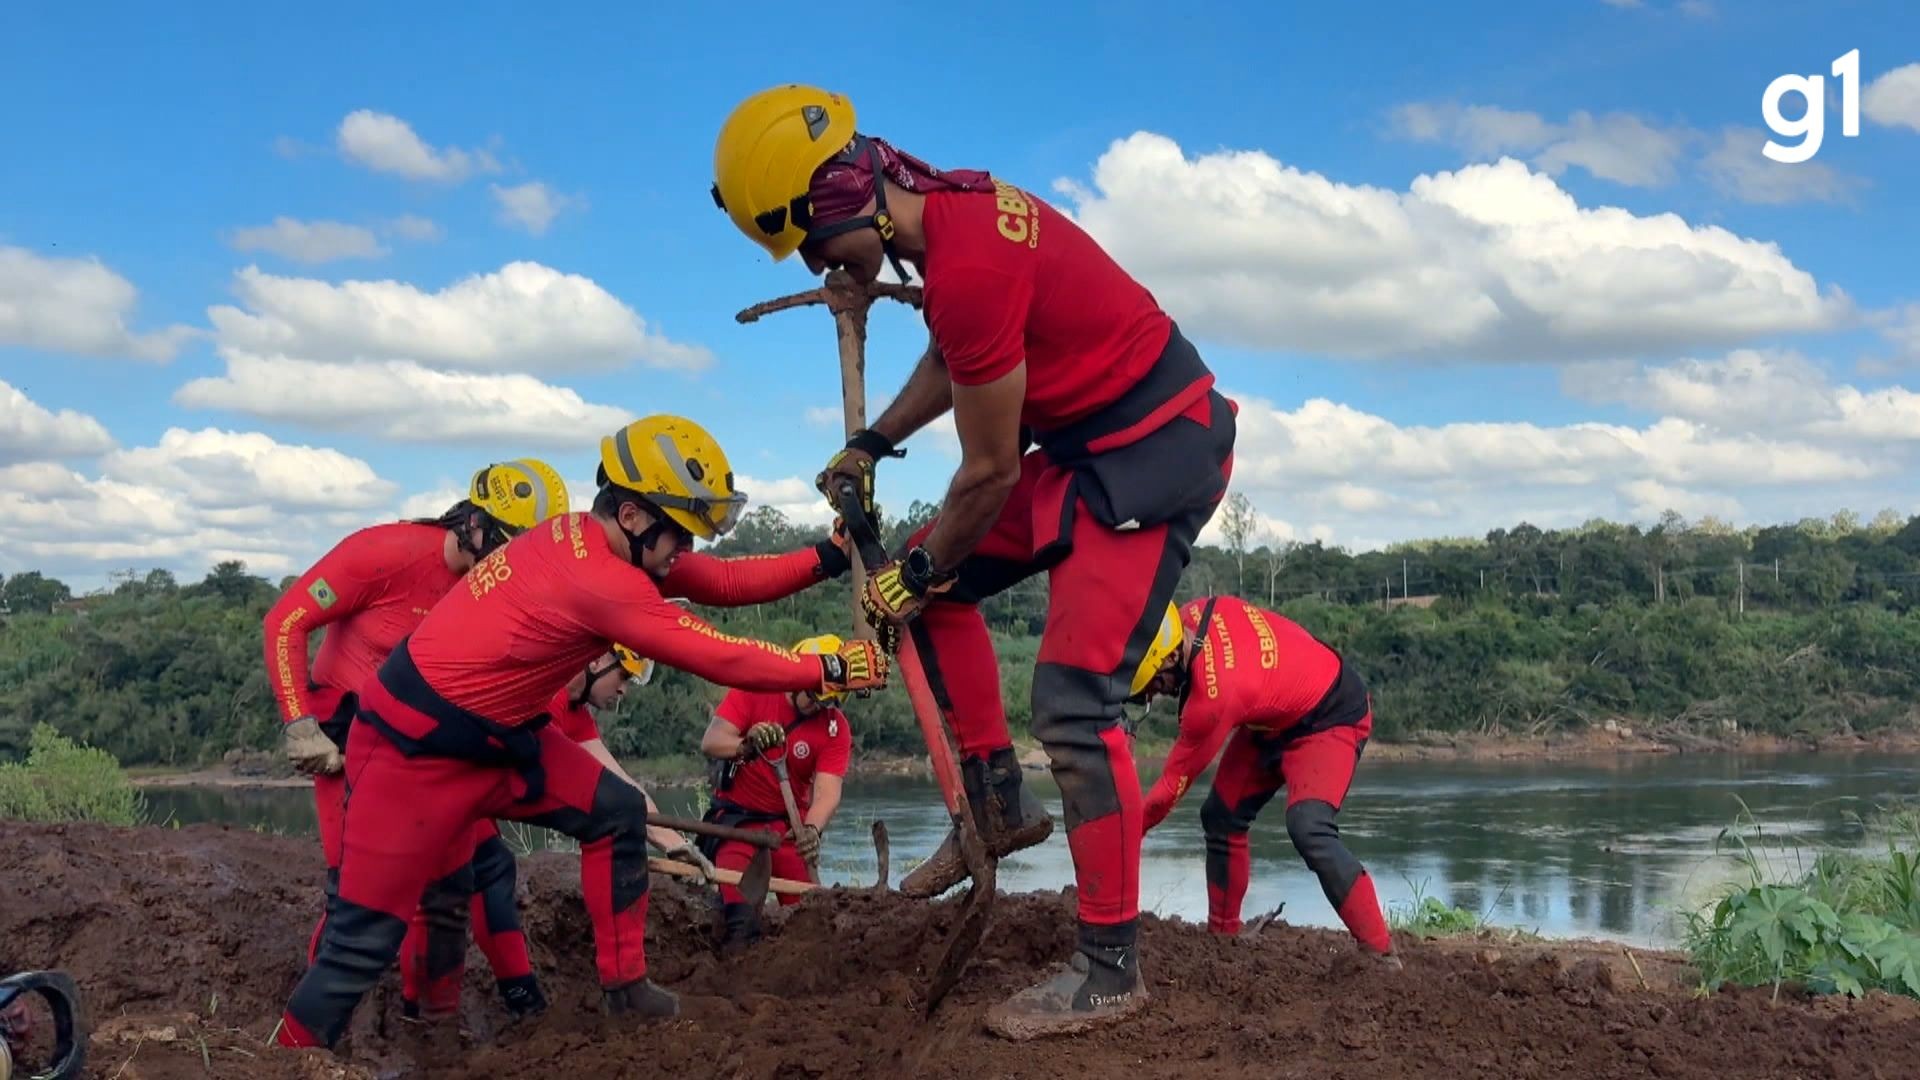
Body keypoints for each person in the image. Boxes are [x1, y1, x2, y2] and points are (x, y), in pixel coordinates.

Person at [711, 85, 1237, 1038]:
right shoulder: (949, 229)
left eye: (820, 248)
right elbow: (961, 357)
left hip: (1159, 449)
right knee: (920, 586)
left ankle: (1112, 968)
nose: (829, 271)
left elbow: (990, 471)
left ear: (846, 203)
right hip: (1085, 451)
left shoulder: (971, 260)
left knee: (1075, 704)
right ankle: (994, 804)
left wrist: (916, 564)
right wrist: (873, 441)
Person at [275, 414, 888, 1051]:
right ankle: (287, 1058)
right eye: (682, 532)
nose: (688, 550)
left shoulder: (601, 543)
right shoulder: (598, 580)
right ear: (632, 516)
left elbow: (725, 582)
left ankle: (625, 991)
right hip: (410, 753)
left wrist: (826, 556)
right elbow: (716, 653)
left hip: (496, 740)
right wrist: (831, 665)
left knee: (616, 813)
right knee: (361, 940)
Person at [264, 458, 571, 1017]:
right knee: (354, 899)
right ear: (472, 524)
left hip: (432, 747)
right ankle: (309, 1043)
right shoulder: (384, 554)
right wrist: (299, 722)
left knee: (456, 885)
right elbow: (285, 621)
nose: (508, 565)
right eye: (504, 547)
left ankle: (432, 1027)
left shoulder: (496, 594)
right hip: (348, 738)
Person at [399, 644, 720, 1021]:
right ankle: (423, 1011)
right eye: (624, 677)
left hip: (472, 798)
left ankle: (521, 998)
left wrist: (672, 843)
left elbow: (620, 787)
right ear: (598, 659)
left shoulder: (575, 712)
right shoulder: (539, 694)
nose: (623, 691)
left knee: (493, 868)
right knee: (472, 876)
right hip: (436, 787)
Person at [1132, 596, 1398, 967]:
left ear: (1173, 657)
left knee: (1309, 828)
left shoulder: (1212, 701)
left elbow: (1165, 795)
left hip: (1332, 712)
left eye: (1155, 682)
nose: (1155, 693)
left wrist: (1124, 839)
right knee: (1221, 817)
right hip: (1274, 712)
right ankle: (1222, 939)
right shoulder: (1188, 615)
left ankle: (1380, 952)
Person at [696, 634, 854, 950]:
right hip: (736, 823)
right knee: (738, 911)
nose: (816, 706)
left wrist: (812, 829)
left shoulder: (834, 727)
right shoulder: (754, 690)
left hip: (787, 829)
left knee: (809, 915)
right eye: (813, 695)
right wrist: (746, 746)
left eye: (826, 701)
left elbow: (827, 791)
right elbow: (711, 741)